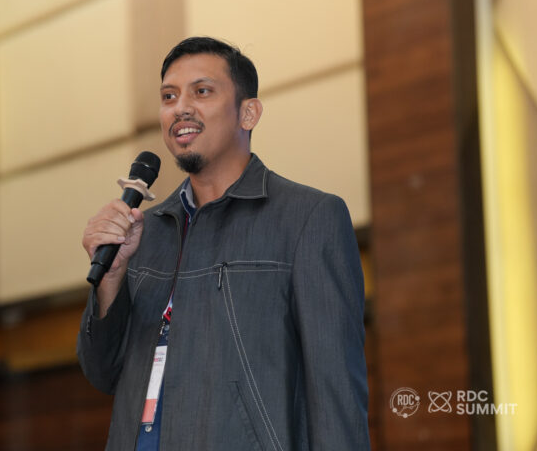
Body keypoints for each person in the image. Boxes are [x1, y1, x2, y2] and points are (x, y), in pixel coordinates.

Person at [77, 36, 370, 450]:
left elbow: (336, 392)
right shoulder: (145, 233)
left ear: (247, 113)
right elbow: (102, 372)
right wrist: (111, 279)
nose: (180, 108)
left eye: (202, 91)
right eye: (169, 96)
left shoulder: (307, 219)